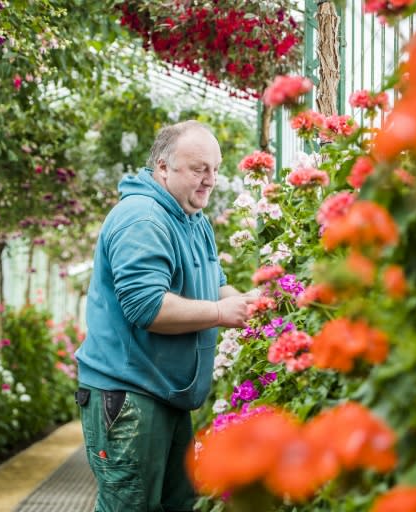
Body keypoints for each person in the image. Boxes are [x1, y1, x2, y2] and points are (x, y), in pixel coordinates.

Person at [74, 120, 259, 512]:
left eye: (215, 169)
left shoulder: (192, 217)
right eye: (198, 169)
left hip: (167, 395)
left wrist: (250, 304)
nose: (210, 180)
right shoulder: (143, 219)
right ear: (162, 168)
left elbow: (215, 284)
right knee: (131, 505)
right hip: (129, 396)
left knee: (178, 503)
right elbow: (147, 306)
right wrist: (221, 312)